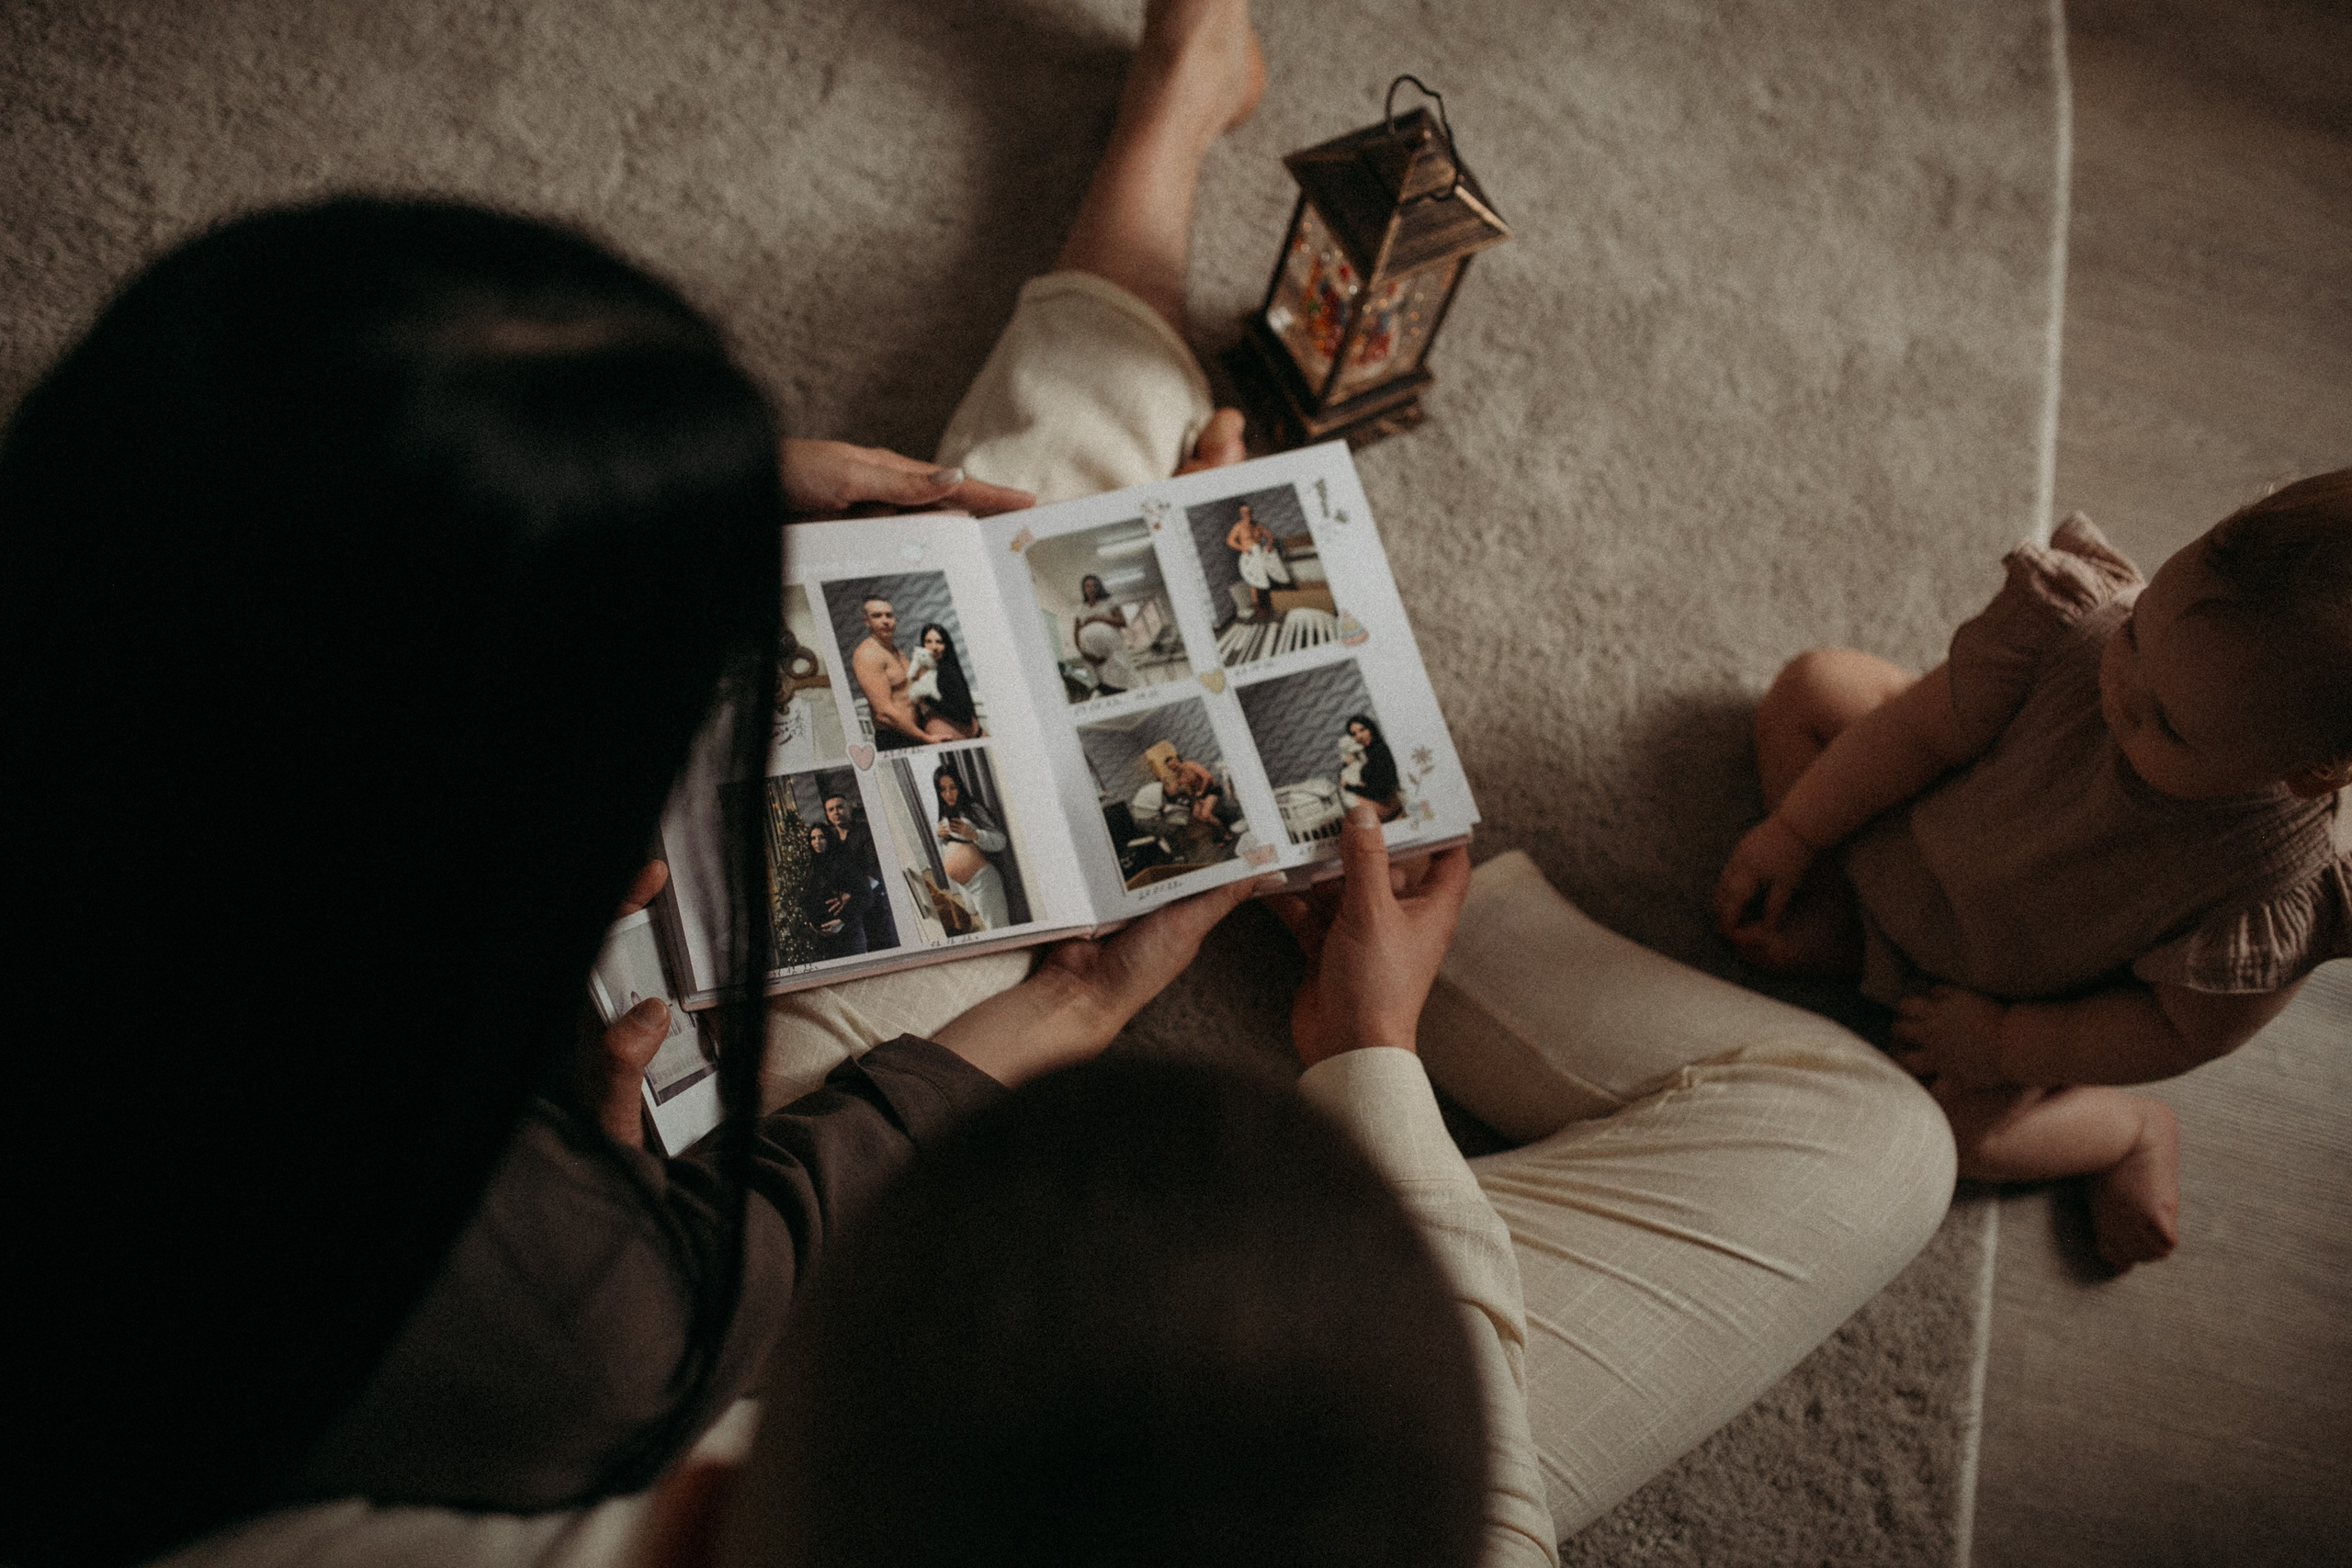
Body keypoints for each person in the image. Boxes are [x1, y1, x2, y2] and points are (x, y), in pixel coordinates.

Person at [63, 1, 1954, 1562]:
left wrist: (702, 498)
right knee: (1868, 1139)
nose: (650, 854)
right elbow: (1468, 1521)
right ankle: (1348, 822)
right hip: (728, 1295)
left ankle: (1172, 220)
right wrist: (1291, 1040)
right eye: (624, 776)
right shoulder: (567, 1338)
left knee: (1006, 574)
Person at [1716, 476, 2352, 1269]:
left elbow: (2177, 1028)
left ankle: (2129, 1130)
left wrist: (2007, 1045)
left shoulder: (2267, 891)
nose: (2121, 693)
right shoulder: (2076, 634)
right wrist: (1795, 830)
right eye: (2137, 636)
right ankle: (1864, 935)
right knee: (1810, 688)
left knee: (1954, 1135)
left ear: (2313, 771)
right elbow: (1919, 734)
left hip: (2011, 994)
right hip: (1926, 833)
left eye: (2168, 724)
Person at [851, 597, 974, 749]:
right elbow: (883, 713)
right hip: (895, 738)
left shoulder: (897, 652)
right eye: (877, 616)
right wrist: (926, 738)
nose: (885, 621)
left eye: (889, 615)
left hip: (916, 731)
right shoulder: (868, 655)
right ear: (866, 621)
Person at [933, 764, 1012, 931]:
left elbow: (1000, 841)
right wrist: (940, 836)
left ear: (959, 786)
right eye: (942, 789)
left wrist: (973, 834)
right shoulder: (946, 811)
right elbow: (954, 843)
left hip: (984, 883)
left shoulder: (973, 809)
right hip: (967, 886)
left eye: (953, 788)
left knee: (999, 931)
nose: (948, 794)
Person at [821, 792, 896, 952]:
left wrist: (852, 894)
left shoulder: (865, 831)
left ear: (848, 808)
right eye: (831, 809)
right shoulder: (833, 842)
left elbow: (875, 871)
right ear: (827, 815)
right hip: (852, 908)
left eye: (840, 807)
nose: (836, 812)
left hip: (876, 901)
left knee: (885, 947)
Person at [800, 821, 871, 959]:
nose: (817, 842)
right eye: (813, 838)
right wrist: (812, 922)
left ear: (829, 838)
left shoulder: (844, 861)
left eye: (821, 837)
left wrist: (842, 921)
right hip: (824, 941)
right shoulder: (813, 867)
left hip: (848, 935)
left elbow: (866, 896)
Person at [908, 620, 980, 735]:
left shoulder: (946, 670)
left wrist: (926, 697)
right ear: (923, 645)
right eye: (928, 642)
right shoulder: (929, 669)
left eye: (939, 642)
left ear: (946, 645)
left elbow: (964, 715)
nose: (934, 647)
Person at [1072, 572, 1139, 694]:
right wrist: (1084, 654)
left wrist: (1098, 618)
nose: (1091, 589)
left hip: (1113, 655)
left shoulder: (1109, 602)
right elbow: (1076, 634)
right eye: (1087, 586)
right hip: (1092, 658)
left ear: (1099, 587)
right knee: (1103, 688)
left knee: (1118, 687)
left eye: (1094, 585)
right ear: (1084, 589)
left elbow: (1122, 622)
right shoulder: (1080, 609)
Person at [1226, 497, 1291, 618]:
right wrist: (1242, 548)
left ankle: (1283, 599)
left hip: (1259, 553)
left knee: (1271, 573)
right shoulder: (1238, 527)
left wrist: (1269, 545)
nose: (1248, 514)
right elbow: (1230, 541)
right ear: (1241, 514)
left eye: (1249, 512)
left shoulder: (1257, 525)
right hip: (1249, 555)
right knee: (1254, 582)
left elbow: (1269, 536)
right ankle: (1257, 606)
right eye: (1244, 512)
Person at [1340, 712, 1404, 821]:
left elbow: (1381, 792)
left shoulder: (1380, 751)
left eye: (1362, 730)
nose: (1359, 736)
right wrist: (1345, 764)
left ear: (1370, 729)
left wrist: (1348, 786)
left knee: (1352, 811)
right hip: (1382, 802)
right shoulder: (1367, 750)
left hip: (1388, 804)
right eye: (1354, 734)